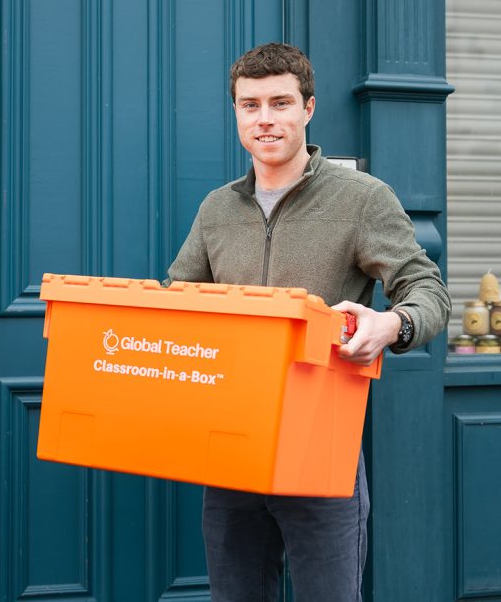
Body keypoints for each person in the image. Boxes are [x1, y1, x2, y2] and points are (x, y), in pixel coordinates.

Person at [167, 42, 450, 601]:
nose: (265, 119)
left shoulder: (362, 200)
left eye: (280, 102)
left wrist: (390, 325)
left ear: (309, 108)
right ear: (237, 113)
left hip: (320, 443)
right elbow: (180, 297)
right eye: (250, 106)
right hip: (230, 444)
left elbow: (427, 289)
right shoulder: (217, 209)